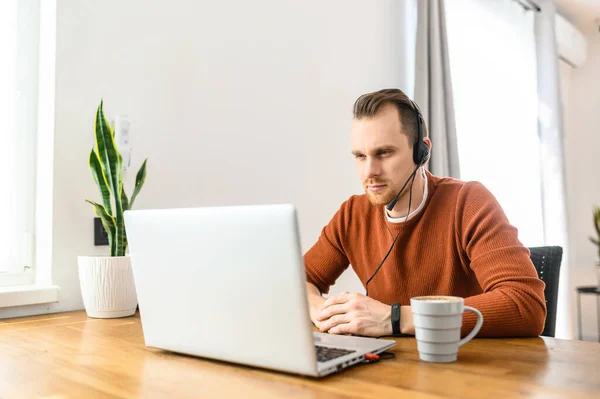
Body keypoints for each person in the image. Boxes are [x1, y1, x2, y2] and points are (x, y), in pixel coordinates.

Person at [304, 88, 546, 338]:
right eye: (360, 156)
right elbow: (296, 281)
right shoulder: (352, 215)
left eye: (384, 153)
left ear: (422, 152)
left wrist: (395, 318)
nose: (369, 172)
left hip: (461, 366)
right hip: (385, 367)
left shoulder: (468, 203)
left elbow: (525, 305)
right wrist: (320, 311)